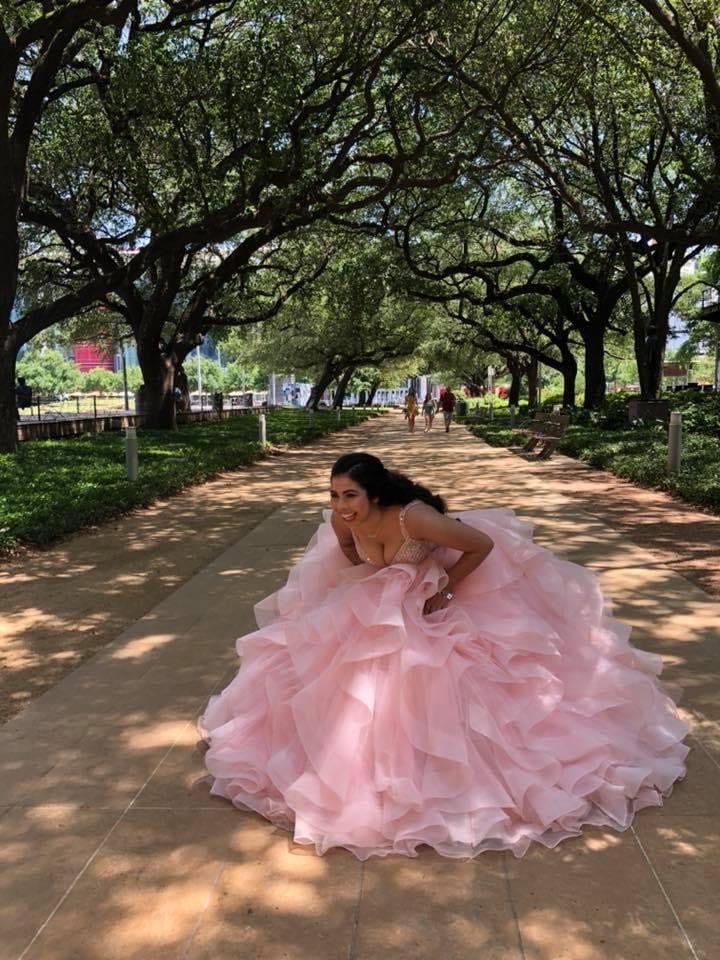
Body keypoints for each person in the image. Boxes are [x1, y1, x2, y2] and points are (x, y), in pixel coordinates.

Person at [199, 452, 688, 861]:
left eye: (350, 495)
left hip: (433, 592)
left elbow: (482, 545)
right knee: (334, 672)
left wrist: (446, 591)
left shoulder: (415, 517)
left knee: (441, 678)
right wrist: (374, 577)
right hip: (384, 599)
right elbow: (349, 552)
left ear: (376, 494)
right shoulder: (338, 520)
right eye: (333, 494)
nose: (341, 505)